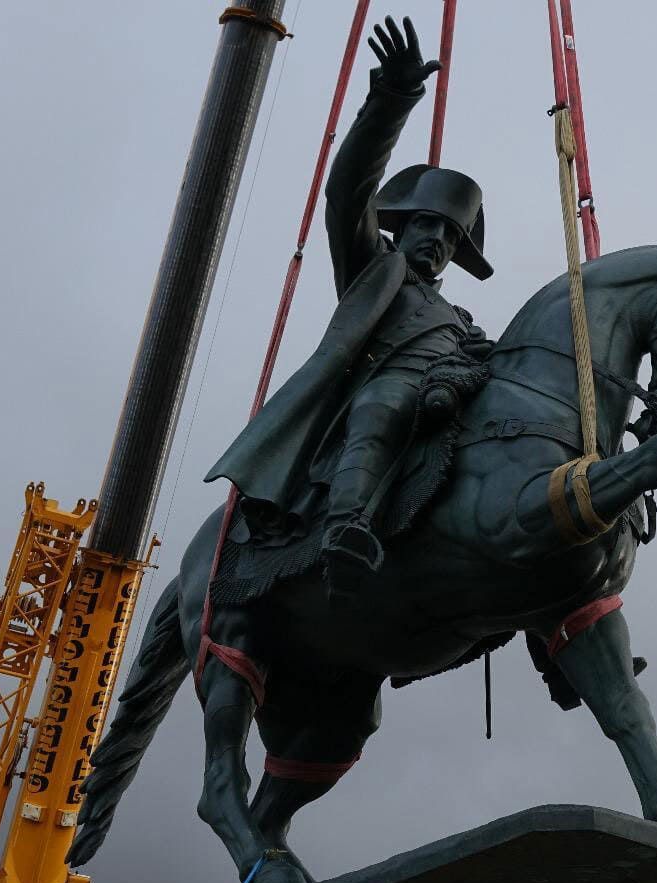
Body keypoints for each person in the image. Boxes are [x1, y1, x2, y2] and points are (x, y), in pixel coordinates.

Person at [206, 15, 493, 598]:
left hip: (449, 397)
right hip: (385, 390)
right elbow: (349, 190)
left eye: (450, 236)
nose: (438, 240)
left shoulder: (460, 322)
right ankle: (345, 526)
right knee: (384, 402)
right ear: (403, 226)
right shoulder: (374, 268)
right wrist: (393, 98)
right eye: (428, 225)